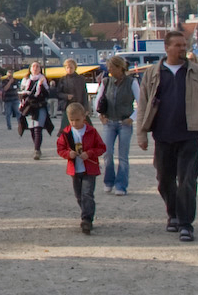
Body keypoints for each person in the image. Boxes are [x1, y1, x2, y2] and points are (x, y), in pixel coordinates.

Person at [135, 30, 198, 242]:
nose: (183, 48)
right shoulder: (154, 73)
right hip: (163, 134)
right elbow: (143, 104)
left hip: (190, 133)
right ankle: (172, 213)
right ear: (167, 47)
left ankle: (185, 224)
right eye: (179, 45)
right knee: (164, 180)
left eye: (185, 45)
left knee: (187, 180)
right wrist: (142, 134)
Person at [56, 104, 106, 234]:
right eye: (71, 120)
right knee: (79, 196)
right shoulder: (66, 133)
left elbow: (101, 148)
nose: (74, 123)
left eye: (77, 120)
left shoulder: (92, 131)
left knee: (87, 194)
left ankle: (87, 219)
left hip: (90, 169)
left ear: (84, 117)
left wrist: (89, 153)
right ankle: (86, 212)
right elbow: (60, 149)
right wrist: (68, 154)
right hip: (75, 169)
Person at [94, 55, 139, 196]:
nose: (109, 70)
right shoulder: (106, 82)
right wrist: (100, 115)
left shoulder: (131, 82)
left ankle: (121, 185)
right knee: (107, 153)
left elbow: (141, 102)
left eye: (111, 67)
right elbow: (97, 100)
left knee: (123, 156)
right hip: (109, 122)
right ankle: (108, 181)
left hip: (124, 122)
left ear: (120, 67)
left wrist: (132, 118)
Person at [18, 62, 53, 159]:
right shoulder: (25, 80)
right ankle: (37, 147)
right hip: (29, 107)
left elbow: (47, 94)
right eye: (33, 66)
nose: (35, 68)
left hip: (40, 105)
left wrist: (41, 86)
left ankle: (37, 150)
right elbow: (22, 94)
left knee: (38, 128)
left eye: (37, 66)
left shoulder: (43, 80)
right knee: (32, 129)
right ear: (30, 68)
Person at [55, 58, 89, 130]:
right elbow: (58, 93)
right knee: (66, 129)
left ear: (75, 68)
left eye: (71, 67)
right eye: (67, 67)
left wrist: (86, 108)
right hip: (67, 107)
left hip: (80, 106)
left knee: (83, 127)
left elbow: (84, 93)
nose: (69, 69)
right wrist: (66, 96)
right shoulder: (63, 80)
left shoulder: (81, 79)